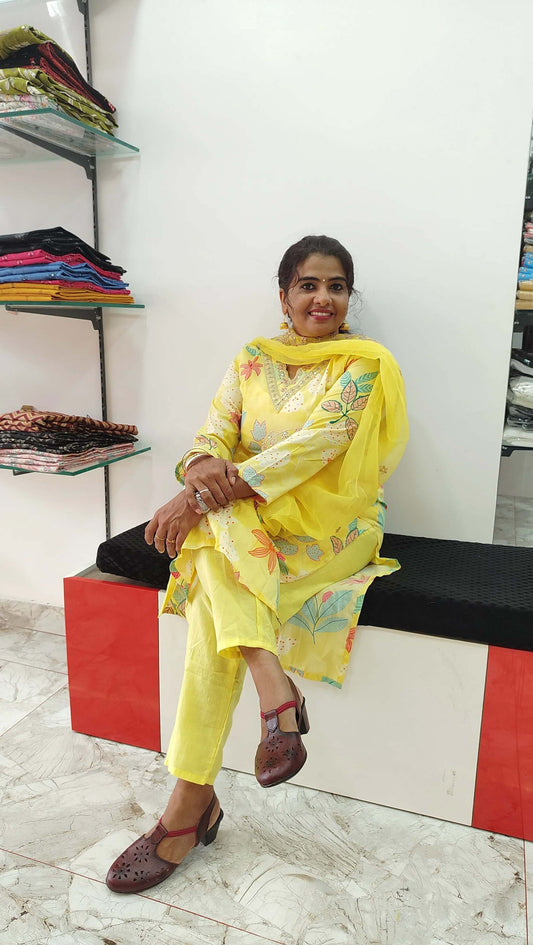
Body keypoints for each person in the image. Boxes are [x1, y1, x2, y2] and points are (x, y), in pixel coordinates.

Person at [106, 235, 408, 894]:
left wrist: (194, 497)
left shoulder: (363, 365)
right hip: (254, 521)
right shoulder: (251, 359)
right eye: (307, 284)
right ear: (283, 295)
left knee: (210, 543)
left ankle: (188, 809)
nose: (321, 297)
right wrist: (199, 471)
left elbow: (314, 449)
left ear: (347, 297)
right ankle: (274, 694)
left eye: (334, 285)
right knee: (219, 541)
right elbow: (211, 435)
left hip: (335, 525)